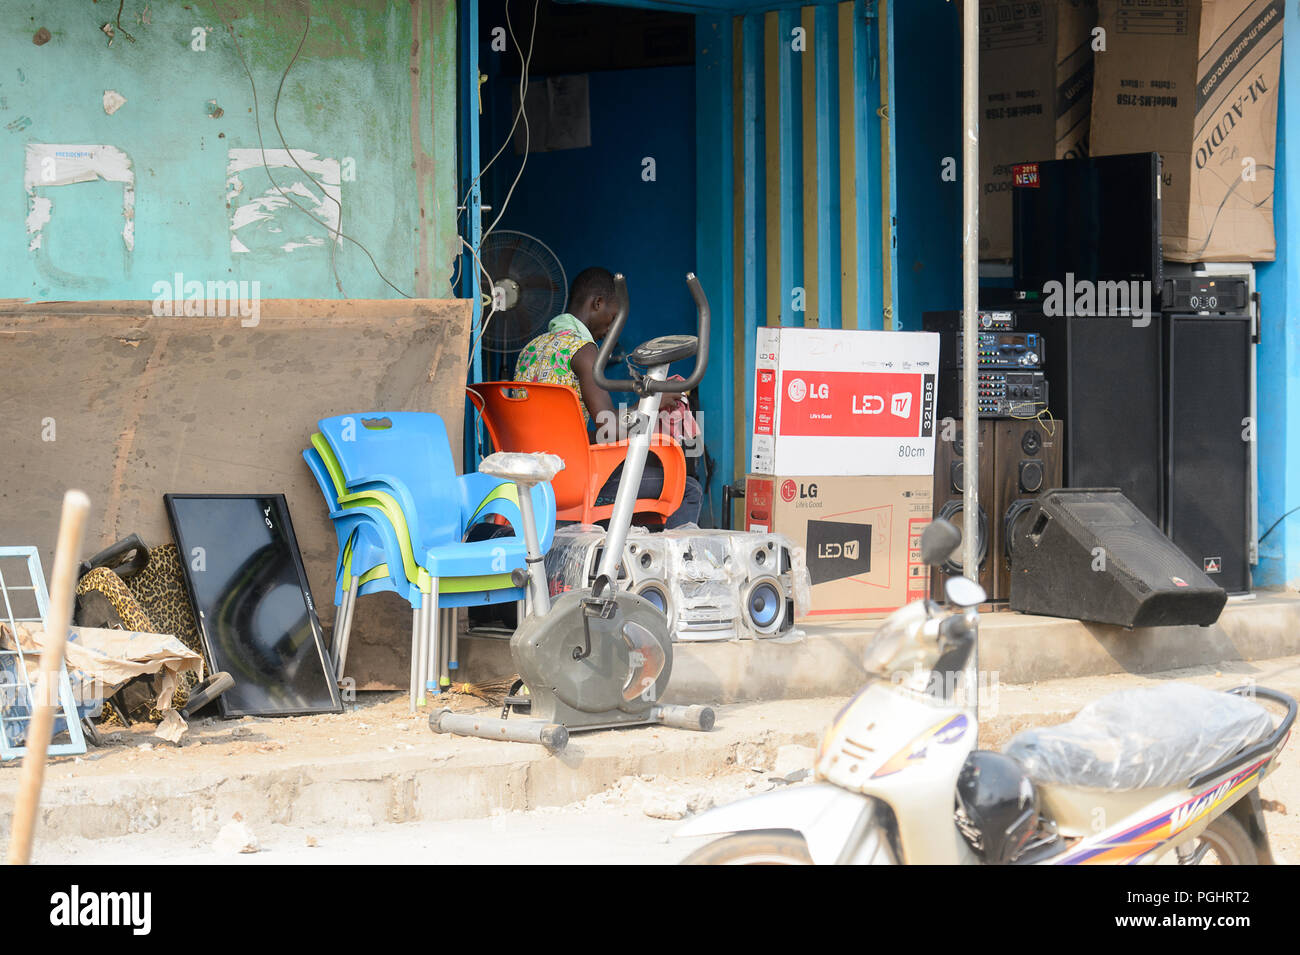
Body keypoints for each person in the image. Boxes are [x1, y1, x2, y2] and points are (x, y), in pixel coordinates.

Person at [514, 266, 703, 528]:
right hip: (573, 484)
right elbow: (608, 427)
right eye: (612, 318)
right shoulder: (583, 350)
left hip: (529, 481)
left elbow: (561, 437)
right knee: (687, 486)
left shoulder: (530, 349)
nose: (610, 329)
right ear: (597, 303)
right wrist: (651, 404)